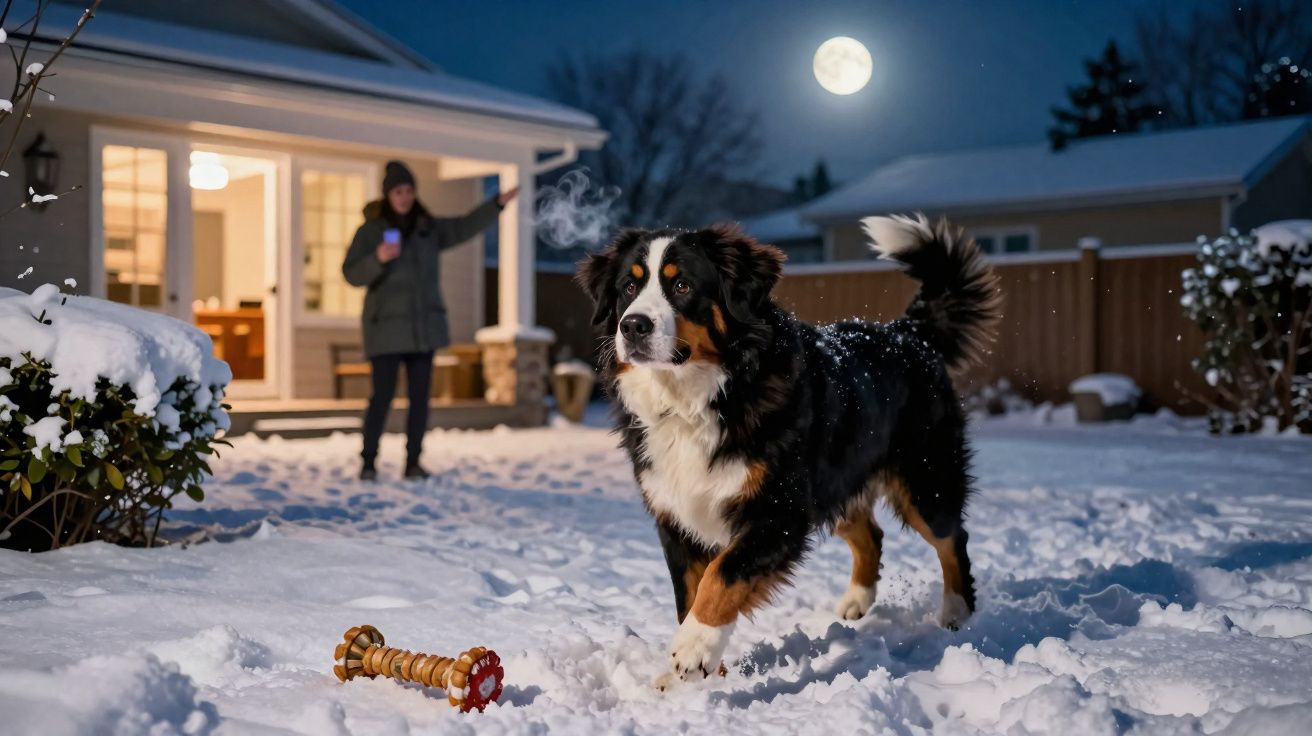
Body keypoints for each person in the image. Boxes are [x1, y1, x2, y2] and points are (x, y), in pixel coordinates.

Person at [342, 160, 518, 481]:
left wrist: (496, 205)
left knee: (420, 400)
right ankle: (368, 461)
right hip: (385, 330)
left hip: (424, 330)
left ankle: (413, 462)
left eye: (409, 190)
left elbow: (464, 227)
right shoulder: (371, 231)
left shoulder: (427, 228)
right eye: (398, 191)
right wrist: (377, 258)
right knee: (381, 397)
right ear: (387, 194)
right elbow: (350, 273)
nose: (405, 196)